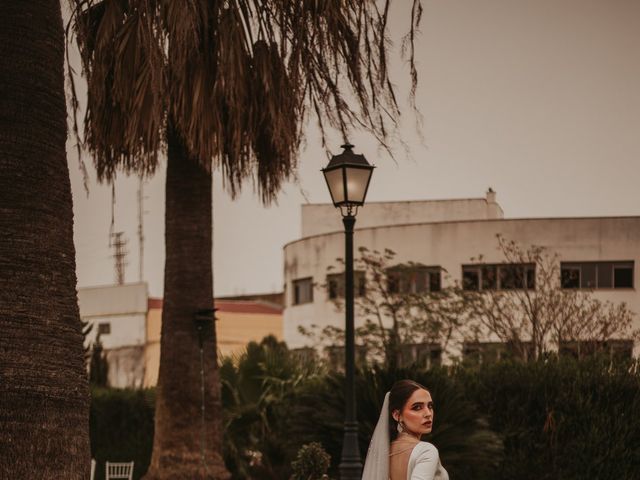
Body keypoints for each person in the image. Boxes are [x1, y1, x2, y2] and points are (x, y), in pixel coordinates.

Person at [362, 379, 449, 480]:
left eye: (430, 406)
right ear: (397, 415)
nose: (428, 413)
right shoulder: (426, 451)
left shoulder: (383, 453)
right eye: (417, 407)